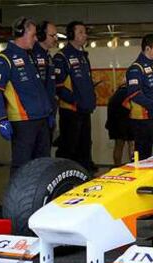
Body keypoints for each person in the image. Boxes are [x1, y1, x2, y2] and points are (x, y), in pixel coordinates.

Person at [0, 17, 52, 176]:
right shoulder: (3, 59)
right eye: (33, 35)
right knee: (22, 168)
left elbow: (38, 89)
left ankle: (38, 200)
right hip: (23, 122)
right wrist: (2, 119)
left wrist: (49, 111)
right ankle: (16, 201)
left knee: (42, 167)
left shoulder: (29, 57)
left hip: (41, 119)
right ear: (21, 33)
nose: (36, 39)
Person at [54, 21, 97, 173]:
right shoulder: (62, 56)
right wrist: (76, 102)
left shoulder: (83, 56)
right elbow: (58, 86)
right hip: (71, 112)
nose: (84, 35)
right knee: (69, 148)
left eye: (85, 32)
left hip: (85, 111)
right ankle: (64, 181)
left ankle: (84, 178)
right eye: (80, 32)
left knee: (85, 147)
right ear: (71, 35)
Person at [32, 21, 58, 140]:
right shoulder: (32, 55)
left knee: (45, 151)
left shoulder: (48, 56)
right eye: (52, 35)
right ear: (41, 36)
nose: (56, 38)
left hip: (49, 111)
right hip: (36, 114)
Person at [105, 83, 134, 166]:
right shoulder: (131, 92)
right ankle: (134, 166)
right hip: (127, 122)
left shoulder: (116, 94)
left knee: (118, 145)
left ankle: (117, 166)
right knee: (132, 144)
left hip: (114, 123)